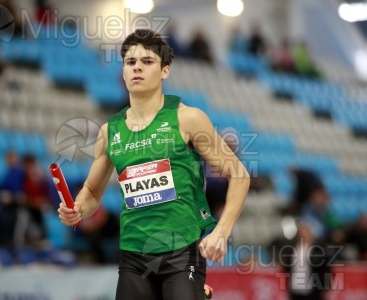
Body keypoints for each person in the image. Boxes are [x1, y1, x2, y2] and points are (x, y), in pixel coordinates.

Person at [58, 29, 250, 300]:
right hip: (134, 256)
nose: (137, 67)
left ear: (164, 71)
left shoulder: (188, 119)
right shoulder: (109, 131)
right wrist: (77, 209)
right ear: (123, 72)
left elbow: (239, 174)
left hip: (183, 249)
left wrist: (222, 231)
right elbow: (91, 193)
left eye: (147, 62)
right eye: (130, 62)